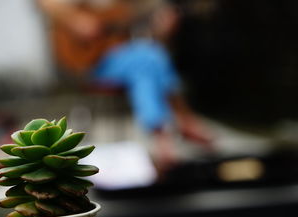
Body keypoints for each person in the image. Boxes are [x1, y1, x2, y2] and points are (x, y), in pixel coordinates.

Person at [37, 0, 212, 175]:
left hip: (119, 59)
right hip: (89, 64)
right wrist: (75, 19)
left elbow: (134, 22)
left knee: (150, 58)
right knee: (148, 58)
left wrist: (162, 28)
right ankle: (179, 121)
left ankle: (166, 131)